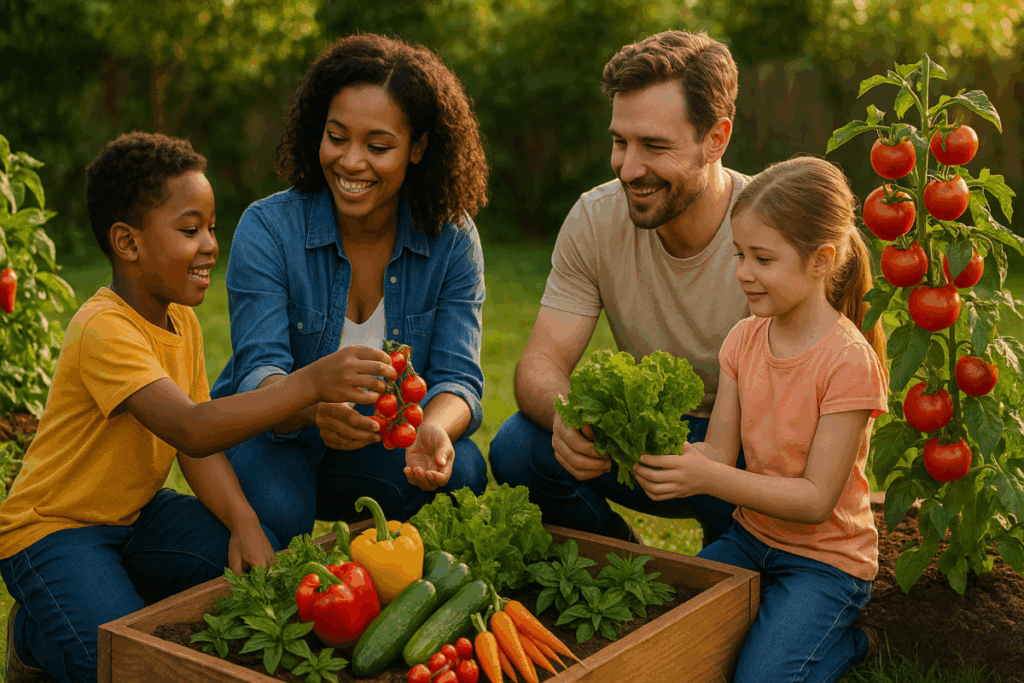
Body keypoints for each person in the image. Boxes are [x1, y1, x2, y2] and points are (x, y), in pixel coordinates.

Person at [0, 132, 397, 683]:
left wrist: (245, 522)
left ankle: (82, 604)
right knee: (122, 665)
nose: (211, 243)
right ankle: (36, 635)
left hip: (136, 518)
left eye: (211, 227)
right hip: (53, 531)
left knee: (247, 571)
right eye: (190, 230)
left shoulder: (178, 319)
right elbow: (192, 428)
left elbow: (199, 448)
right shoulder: (103, 330)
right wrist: (309, 383)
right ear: (128, 242)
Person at [210, 34, 490, 547]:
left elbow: (459, 379)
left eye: (378, 147)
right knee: (279, 504)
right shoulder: (269, 229)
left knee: (464, 470)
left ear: (419, 148)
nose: (351, 162)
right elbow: (257, 374)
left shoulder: (451, 239)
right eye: (337, 137)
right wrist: (314, 403)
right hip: (274, 436)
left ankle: (380, 582)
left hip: (373, 444)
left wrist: (435, 428)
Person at [489, 30, 751, 545]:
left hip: (747, 456)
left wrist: (722, 466)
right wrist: (569, 419)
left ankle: (732, 555)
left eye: (654, 146)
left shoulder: (771, 233)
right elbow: (539, 365)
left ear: (715, 139)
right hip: (641, 440)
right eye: (619, 141)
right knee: (519, 446)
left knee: (735, 584)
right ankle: (619, 553)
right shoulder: (595, 218)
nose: (629, 168)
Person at [634, 156, 888, 681]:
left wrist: (709, 477)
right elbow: (719, 453)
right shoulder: (743, 338)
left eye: (762, 259)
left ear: (821, 260)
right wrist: (672, 458)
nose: (743, 272)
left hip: (827, 562)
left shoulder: (848, 361)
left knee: (757, 678)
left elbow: (817, 501)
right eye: (739, 254)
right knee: (670, 633)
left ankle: (850, 644)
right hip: (752, 538)